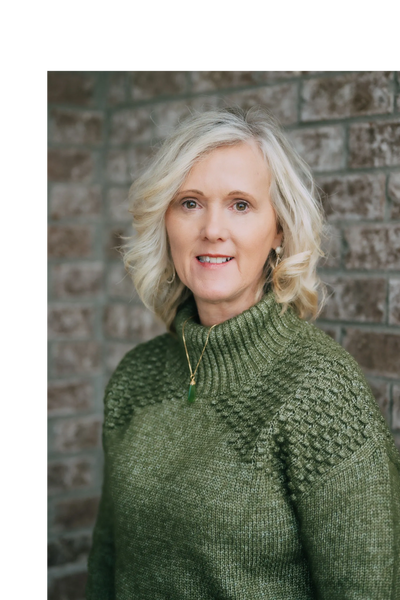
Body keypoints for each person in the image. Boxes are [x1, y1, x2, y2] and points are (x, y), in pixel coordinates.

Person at [86, 108, 400, 599]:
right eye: (190, 203)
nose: (212, 229)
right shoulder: (135, 377)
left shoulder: (320, 390)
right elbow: (107, 562)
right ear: (165, 221)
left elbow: (367, 588)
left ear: (279, 230)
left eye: (240, 204)